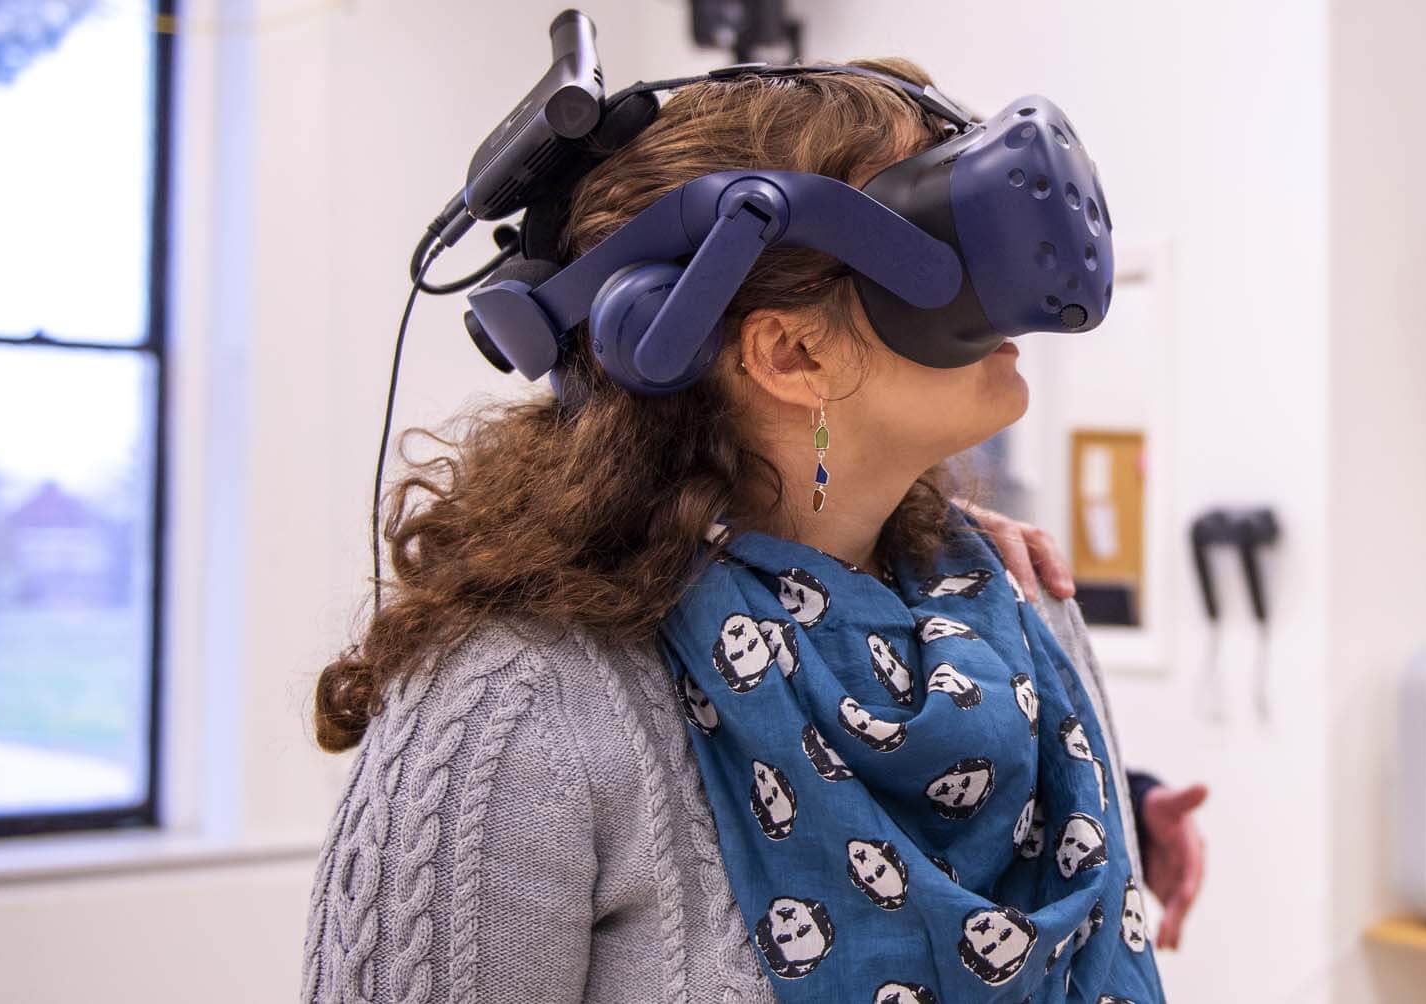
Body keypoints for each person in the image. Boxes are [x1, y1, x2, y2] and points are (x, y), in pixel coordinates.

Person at [301, 60, 1203, 1003]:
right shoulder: (521, 709)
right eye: (940, 226)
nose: (1003, 277)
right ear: (792, 353)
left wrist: (1122, 805)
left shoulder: (1012, 606)